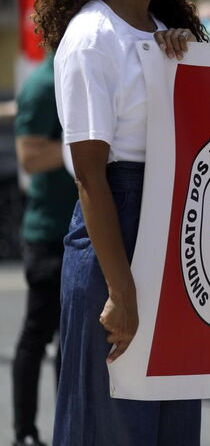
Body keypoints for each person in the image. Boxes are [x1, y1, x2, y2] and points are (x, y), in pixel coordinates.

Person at [32, 0, 209, 445]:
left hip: (172, 235)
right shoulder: (91, 38)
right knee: (111, 428)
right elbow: (90, 177)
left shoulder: (166, 33)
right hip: (119, 233)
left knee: (169, 425)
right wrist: (122, 292)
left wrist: (181, 64)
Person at [11, 55, 78, 446]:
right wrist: (85, 142)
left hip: (77, 232)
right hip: (49, 234)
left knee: (70, 341)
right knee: (37, 336)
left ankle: (66, 430)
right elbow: (30, 156)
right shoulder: (42, 84)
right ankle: (24, 432)